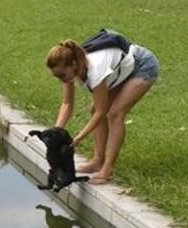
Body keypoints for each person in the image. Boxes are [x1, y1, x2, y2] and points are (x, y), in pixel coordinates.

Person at [45, 31, 160, 184]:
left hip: (142, 65)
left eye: (62, 75)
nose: (61, 79)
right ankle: (97, 161)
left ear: (73, 64)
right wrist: (56, 132)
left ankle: (108, 168)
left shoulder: (95, 69)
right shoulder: (72, 67)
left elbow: (101, 112)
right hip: (122, 69)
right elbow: (67, 103)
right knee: (94, 109)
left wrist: (78, 138)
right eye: (57, 76)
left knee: (115, 113)